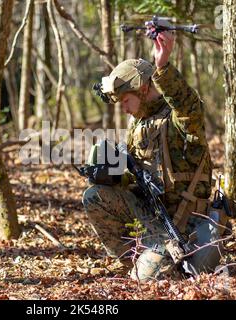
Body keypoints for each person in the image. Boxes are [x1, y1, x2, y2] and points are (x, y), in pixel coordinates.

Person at [82, 31, 224, 282]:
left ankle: (160, 263)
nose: (124, 108)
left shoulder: (179, 120)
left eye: (126, 100)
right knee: (95, 196)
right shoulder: (137, 124)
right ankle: (138, 258)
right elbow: (140, 175)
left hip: (184, 223)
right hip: (152, 218)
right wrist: (113, 178)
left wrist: (163, 67)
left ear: (144, 88)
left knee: (148, 279)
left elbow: (188, 106)